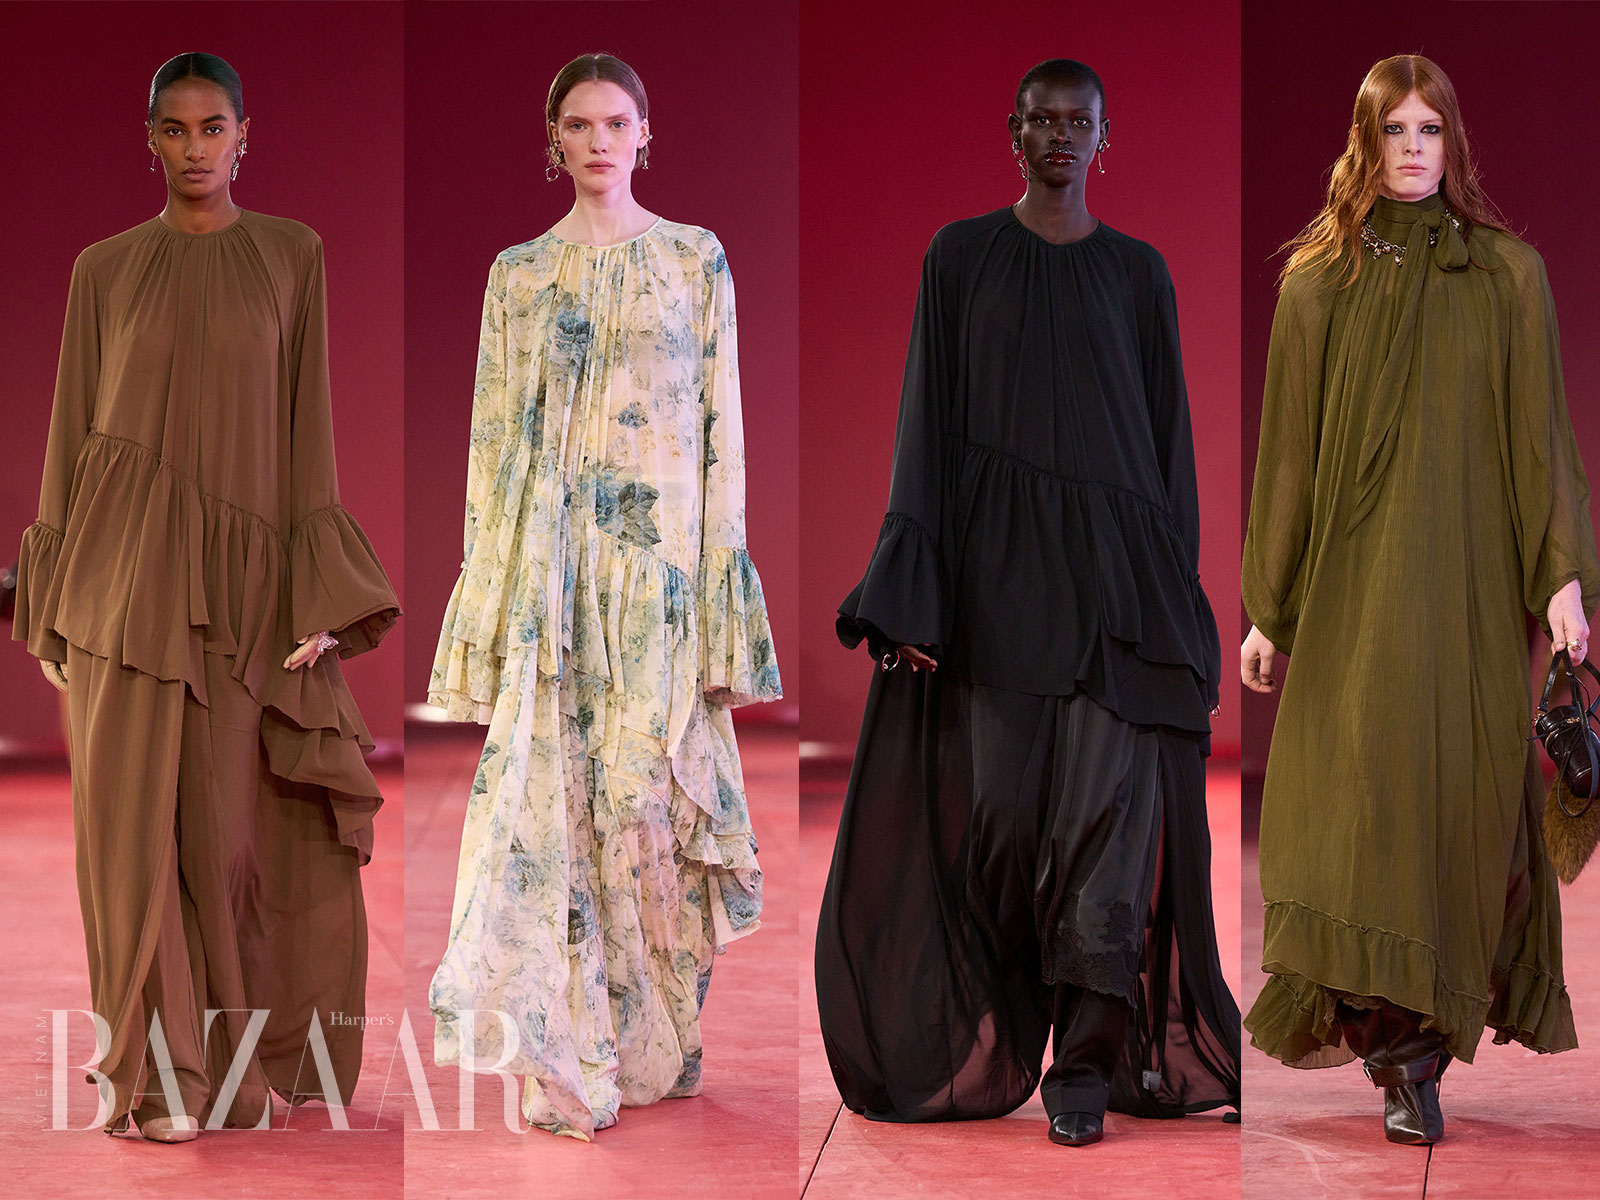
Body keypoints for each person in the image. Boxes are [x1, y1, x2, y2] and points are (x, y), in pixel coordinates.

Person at [815, 58, 1241, 1149]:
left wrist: (1176, 605)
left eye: (1079, 121)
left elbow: (1170, 450)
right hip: (997, 590)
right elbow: (925, 426)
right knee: (1001, 831)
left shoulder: (1139, 275)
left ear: (1105, 137)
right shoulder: (958, 257)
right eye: (1042, 120)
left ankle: (1083, 1072)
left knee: (1107, 831)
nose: (1061, 136)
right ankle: (1003, 1025)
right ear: (1012, 132)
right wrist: (916, 596)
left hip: (1115, 598)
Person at [14, 52, 399, 1143]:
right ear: (150, 141)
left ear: (244, 136)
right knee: (126, 839)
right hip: (121, 589)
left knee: (229, 837)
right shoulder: (103, 270)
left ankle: (228, 1068)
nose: (195, 148)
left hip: (241, 599)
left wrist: (317, 594)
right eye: (175, 130)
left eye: (212, 127)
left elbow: (309, 435)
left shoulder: (291, 256)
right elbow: (70, 433)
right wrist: (53, 602)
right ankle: (158, 1079)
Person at [1241, 53, 1599, 1146]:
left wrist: (1562, 578)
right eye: (1392, 129)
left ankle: (1423, 1052)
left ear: (1453, 142)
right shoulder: (1317, 284)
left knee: (1460, 812)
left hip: (1474, 594)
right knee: (1360, 815)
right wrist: (1268, 609)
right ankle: (1400, 1059)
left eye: (1428, 129)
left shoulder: (1507, 278)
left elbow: (1540, 438)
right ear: (1365, 142)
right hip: (1352, 598)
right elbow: (1288, 459)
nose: (1411, 148)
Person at [426, 52, 781, 1141]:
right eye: (578, 125)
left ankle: (647, 1039)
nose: (597, 142)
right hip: (552, 578)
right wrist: (492, 593)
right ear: (553, 141)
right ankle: (566, 1054)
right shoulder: (518, 275)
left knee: (644, 807)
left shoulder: (693, 260)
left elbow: (722, 431)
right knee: (550, 811)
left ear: (645, 135)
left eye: (616, 122)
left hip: (658, 583)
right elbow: (493, 442)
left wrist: (717, 592)